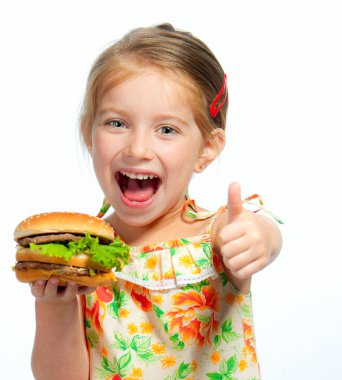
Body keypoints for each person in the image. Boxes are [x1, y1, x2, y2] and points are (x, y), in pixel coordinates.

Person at [30, 23, 282, 380]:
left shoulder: (217, 236)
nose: (138, 149)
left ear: (206, 148)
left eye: (166, 130)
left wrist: (260, 239)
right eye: (117, 123)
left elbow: (258, 232)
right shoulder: (83, 257)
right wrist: (54, 307)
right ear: (89, 133)